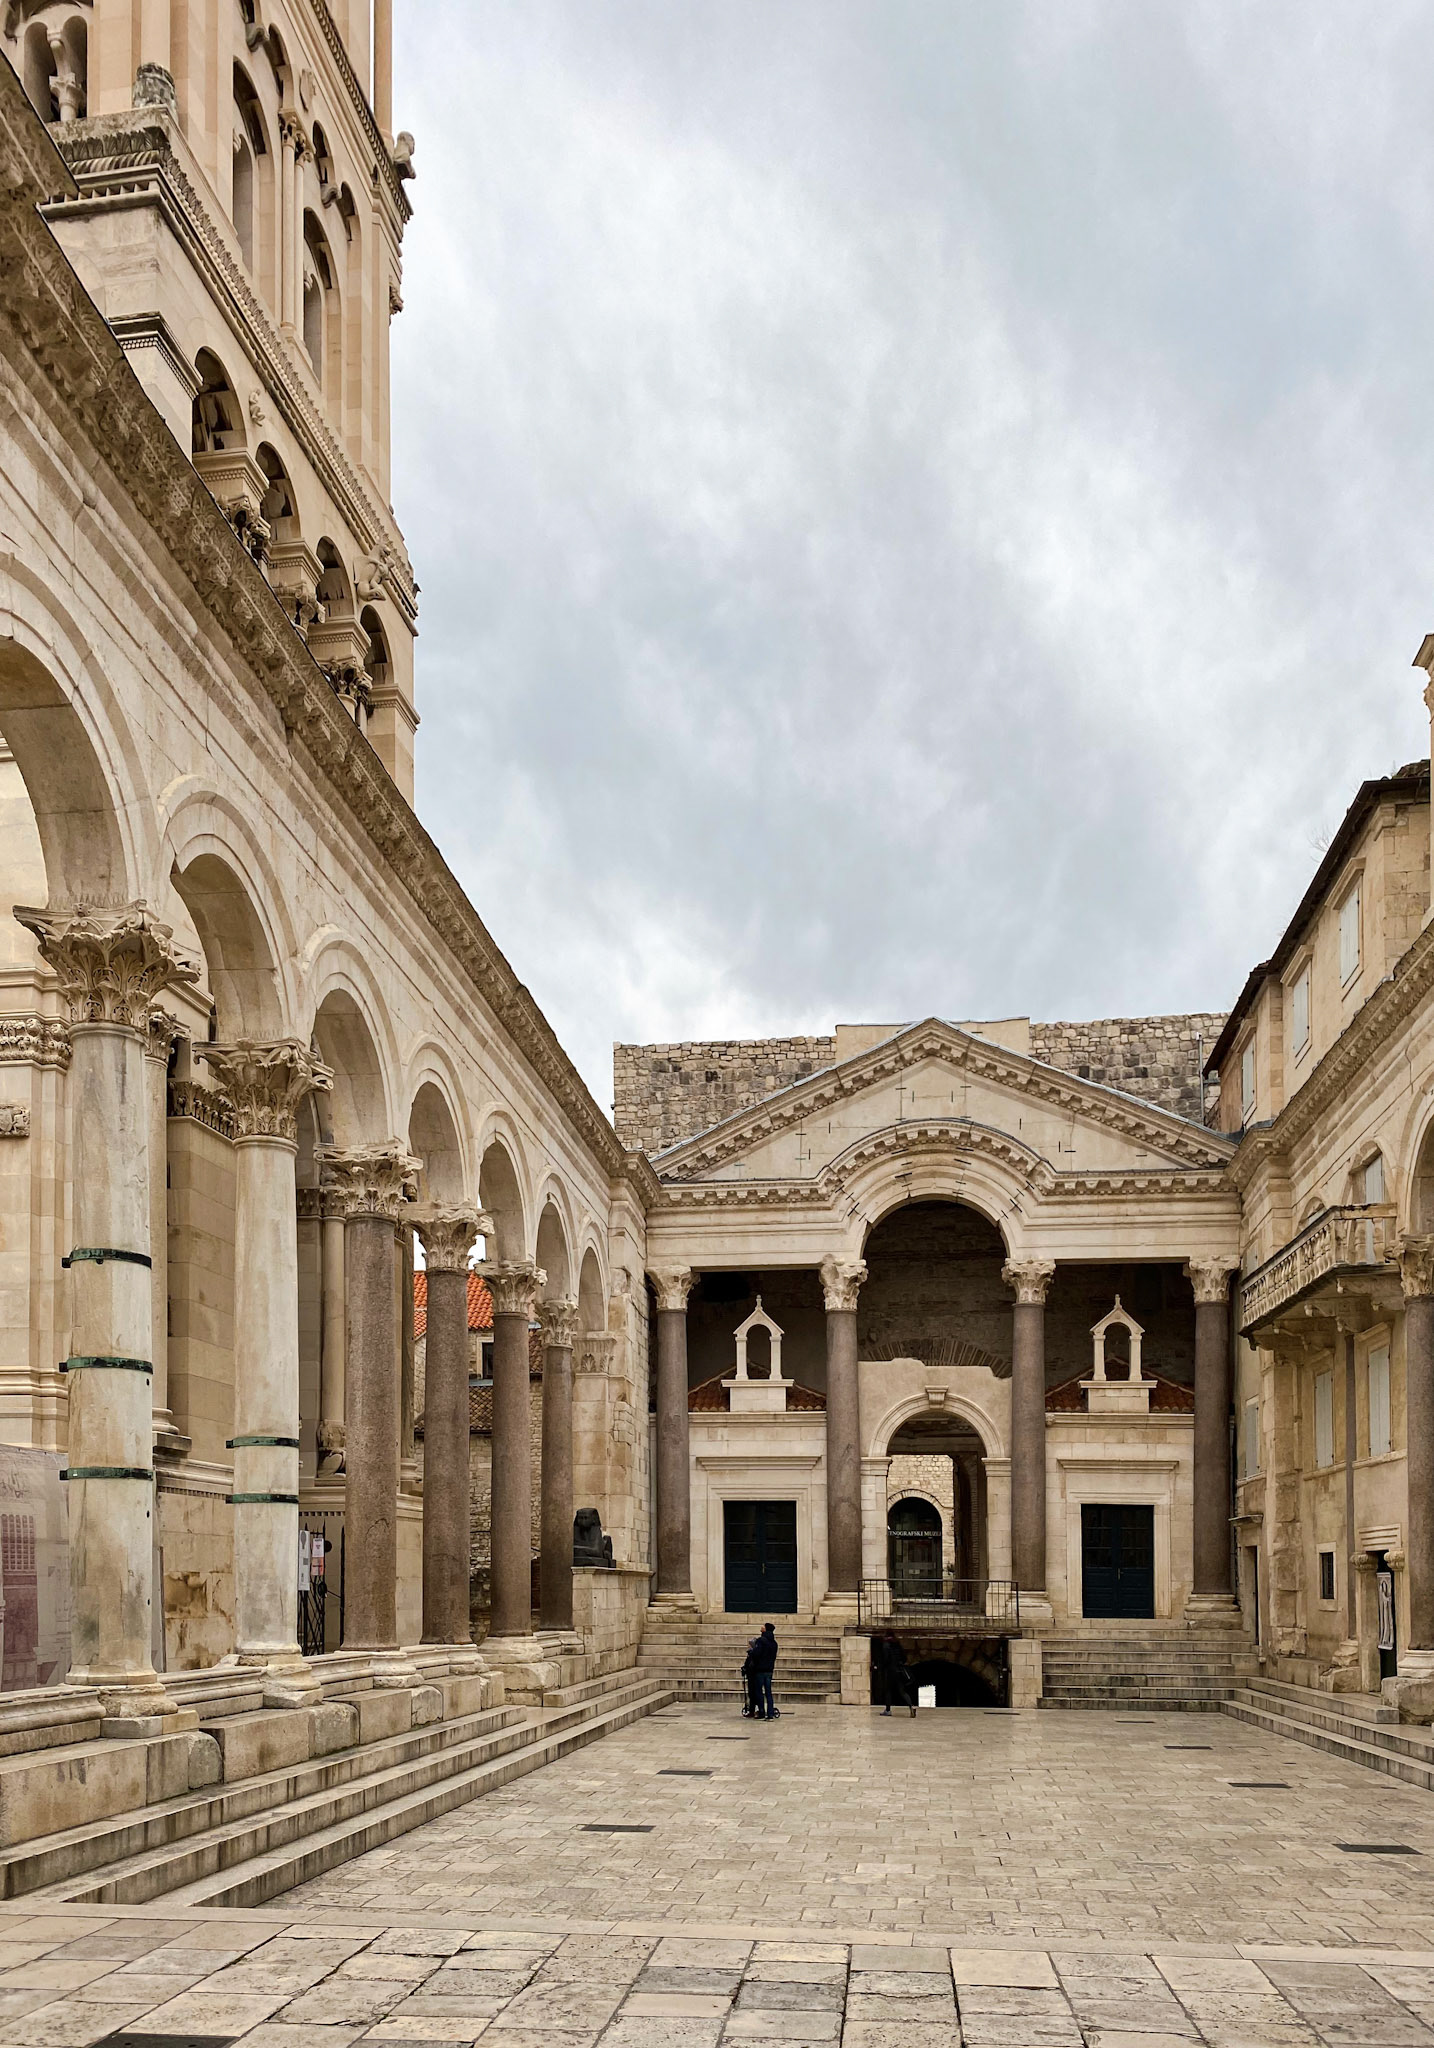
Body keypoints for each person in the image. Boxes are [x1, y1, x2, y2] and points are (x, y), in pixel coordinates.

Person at [874, 1629, 917, 1716]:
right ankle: (911, 1706)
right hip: (899, 1670)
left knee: (888, 1690)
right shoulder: (897, 1644)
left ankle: (888, 1710)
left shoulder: (886, 1645)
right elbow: (904, 1658)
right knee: (902, 1691)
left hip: (890, 1671)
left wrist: (879, 1667)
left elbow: (885, 1659)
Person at [749, 1621, 779, 1719]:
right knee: (768, 1692)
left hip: (760, 1669)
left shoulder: (761, 1641)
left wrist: (751, 1652)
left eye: (763, 1626)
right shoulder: (774, 1643)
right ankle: (770, 1713)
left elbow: (756, 1654)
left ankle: (761, 1711)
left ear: (765, 1629)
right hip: (769, 1670)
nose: (761, 1627)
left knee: (759, 1691)